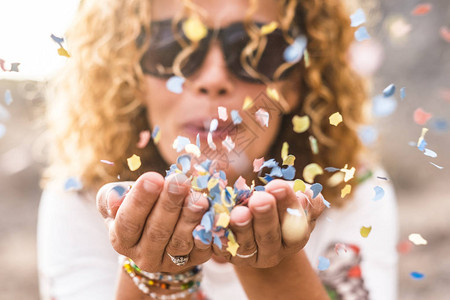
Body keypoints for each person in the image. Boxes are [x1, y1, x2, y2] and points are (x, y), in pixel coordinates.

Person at [37, 0, 398, 299]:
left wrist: (274, 264)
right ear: (131, 74)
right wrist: (155, 278)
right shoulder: (80, 195)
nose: (213, 80)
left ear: (295, 83)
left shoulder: (352, 189)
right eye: (172, 47)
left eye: (255, 51)